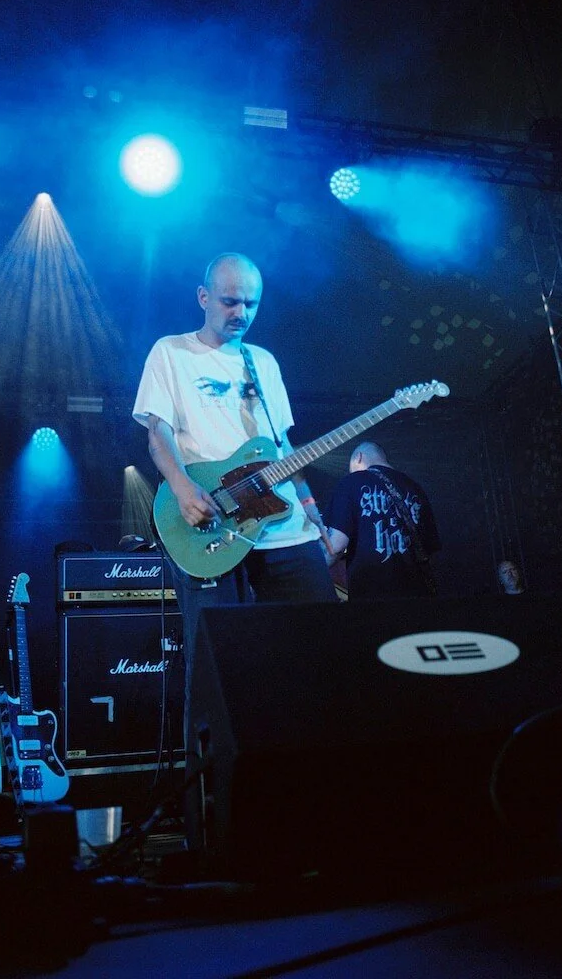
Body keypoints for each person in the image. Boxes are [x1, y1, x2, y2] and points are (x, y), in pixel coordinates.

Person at [132, 251, 337, 849]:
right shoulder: (170, 352)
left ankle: (318, 805)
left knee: (321, 651)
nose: (241, 311)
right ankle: (217, 827)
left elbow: (282, 445)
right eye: (229, 300)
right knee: (217, 670)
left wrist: (313, 511)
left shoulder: (263, 362)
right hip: (214, 524)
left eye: (251, 302)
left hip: (285, 529)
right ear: (203, 298)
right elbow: (157, 432)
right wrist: (181, 487)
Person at [323, 441, 441, 600]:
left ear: (358, 458)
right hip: (418, 596)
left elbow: (336, 546)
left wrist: (308, 572)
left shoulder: (351, 482)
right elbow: (431, 550)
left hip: (372, 597)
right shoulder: (416, 488)